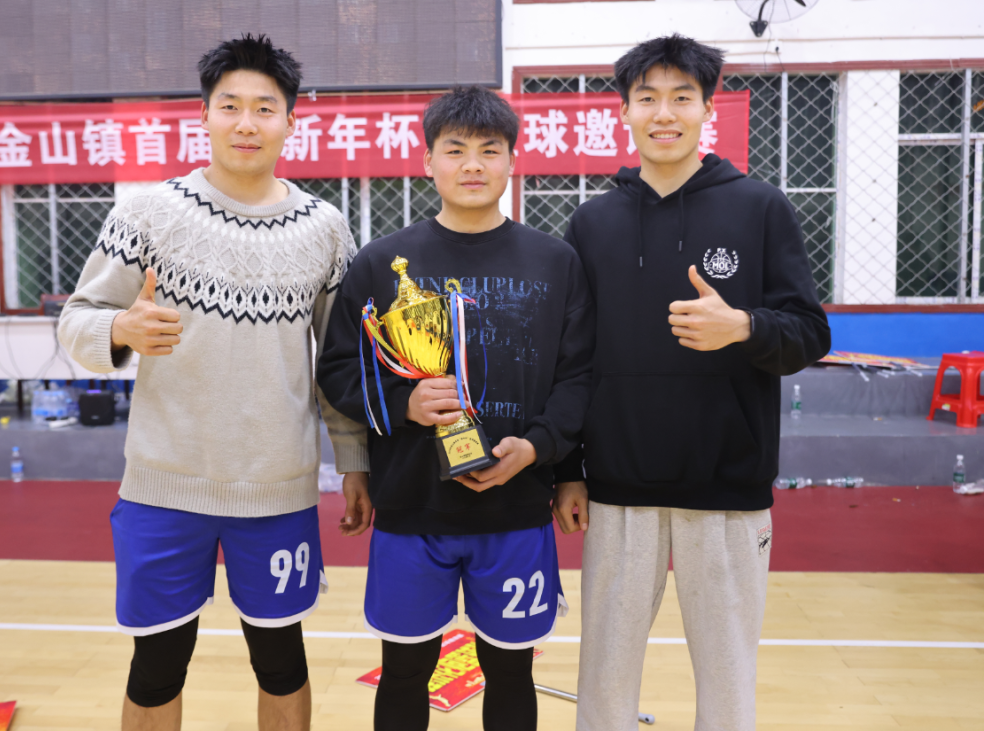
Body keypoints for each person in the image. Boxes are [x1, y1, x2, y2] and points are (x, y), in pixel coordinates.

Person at [57, 34, 367, 731]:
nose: (246, 122)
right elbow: (75, 321)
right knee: (157, 664)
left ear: (291, 120)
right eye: (230, 105)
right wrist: (119, 328)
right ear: (204, 115)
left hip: (278, 490)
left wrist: (354, 460)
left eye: (265, 107)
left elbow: (337, 362)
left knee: (282, 659)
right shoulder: (146, 213)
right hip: (164, 488)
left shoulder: (324, 229)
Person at [551, 34, 831, 731]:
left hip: (727, 486)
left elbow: (809, 332)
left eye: (682, 97)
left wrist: (744, 327)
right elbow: (571, 357)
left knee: (729, 676)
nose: (664, 113)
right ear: (624, 111)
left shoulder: (760, 207)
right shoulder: (592, 222)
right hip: (617, 486)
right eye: (647, 97)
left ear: (709, 108)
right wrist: (568, 470)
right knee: (604, 676)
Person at [316, 85, 594, 731]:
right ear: (428, 161)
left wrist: (543, 449)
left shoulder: (556, 262)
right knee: (404, 670)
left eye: (490, 150)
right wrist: (404, 402)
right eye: (456, 149)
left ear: (512, 161)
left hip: (517, 505)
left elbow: (578, 374)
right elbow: (338, 368)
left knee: (512, 671)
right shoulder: (382, 263)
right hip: (412, 505)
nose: (473, 164)